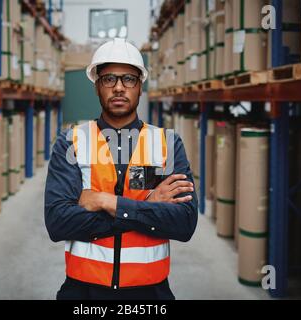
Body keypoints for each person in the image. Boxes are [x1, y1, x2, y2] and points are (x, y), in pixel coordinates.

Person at [44, 38, 198, 300]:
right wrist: (148, 206)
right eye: (108, 79)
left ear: (140, 86)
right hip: (84, 292)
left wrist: (106, 201)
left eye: (128, 79)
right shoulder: (72, 142)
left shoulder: (166, 144)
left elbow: (183, 224)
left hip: (150, 293)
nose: (118, 88)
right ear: (96, 86)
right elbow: (59, 223)